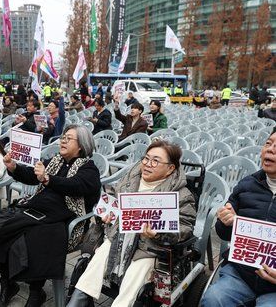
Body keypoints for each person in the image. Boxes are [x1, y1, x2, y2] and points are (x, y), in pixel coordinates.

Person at [0, 124, 101, 307]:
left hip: (65, 218)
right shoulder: (56, 161)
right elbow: (32, 175)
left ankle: (36, 292)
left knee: (35, 236)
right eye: (63, 137)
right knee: (3, 225)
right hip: (37, 209)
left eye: (68, 138)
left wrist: (47, 179)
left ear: (81, 146)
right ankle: (7, 285)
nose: (62, 140)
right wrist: (13, 167)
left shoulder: (89, 169)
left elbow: (75, 185)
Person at [68, 140, 196, 307]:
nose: (148, 164)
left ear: (170, 168)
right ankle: (76, 303)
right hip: (119, 237)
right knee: (96, 263)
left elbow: (185, 227)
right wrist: (106, 215)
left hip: (150, 247)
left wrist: (158, 233)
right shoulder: (129, 179)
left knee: (136, 274)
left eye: (155, 161)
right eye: (146, 158)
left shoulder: (181, 195)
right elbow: (112, 202)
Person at [201, 131, 276, 307]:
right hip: (241, 273)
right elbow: (223, 233)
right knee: (214, 299)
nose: (270, 150)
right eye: (268, 143)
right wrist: (225, 221)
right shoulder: (246, 184)